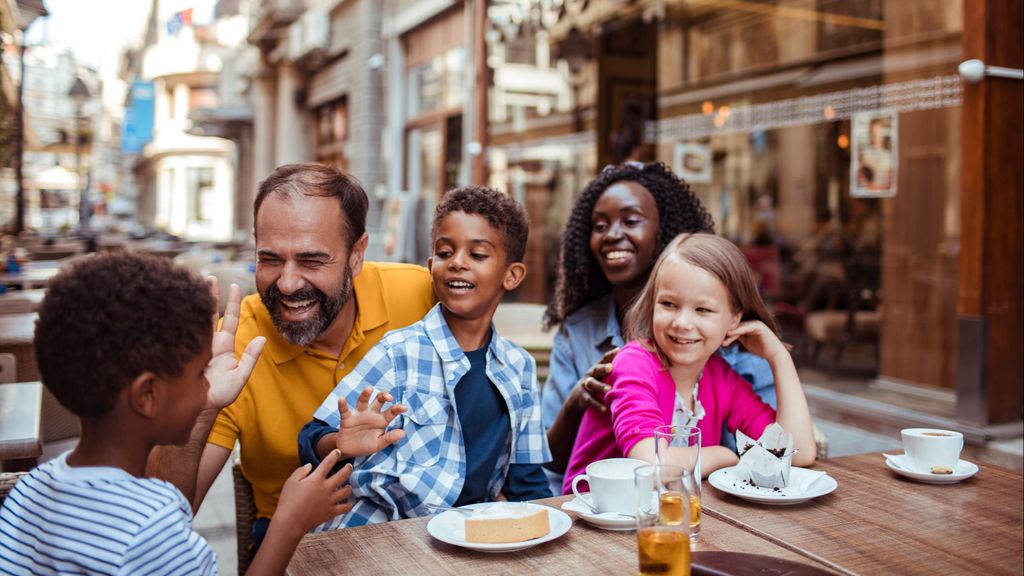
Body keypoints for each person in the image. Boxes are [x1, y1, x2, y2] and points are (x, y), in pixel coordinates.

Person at [0, 252, 350, 575]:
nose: (208, 388)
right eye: (201, 373)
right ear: (148, 396)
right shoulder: (151, 529)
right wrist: (288, 524)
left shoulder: (29, 489)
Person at [147, 163, 435, 552]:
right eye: (270, 259)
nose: (287, 283)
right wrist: (196, 404)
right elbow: (165, 517)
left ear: (356, 254)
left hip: (415, 530)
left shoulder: (419, 293)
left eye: (312, 260)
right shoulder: (232, 346)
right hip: (294, 543)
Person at [299, 186, 552, 528]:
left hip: (468, 533)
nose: (458, 263)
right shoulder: (399, 352)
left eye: (477, 255)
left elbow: (527, 481)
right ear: (432, 266)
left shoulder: (519, 367)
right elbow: (311, 436)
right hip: (379, 529)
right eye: (446, 252)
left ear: (512, 275)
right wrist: (341, 444)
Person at [541, 161, 776, 494]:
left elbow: (775, 446)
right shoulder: (580, 332)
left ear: (665, 232)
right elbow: (547, 460)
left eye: (631, 220)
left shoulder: (724, 345)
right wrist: (577, 402)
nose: (612, 234)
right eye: (599, 225)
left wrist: (779, 357)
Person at [564, 233, 816, 490]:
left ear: (734, 319)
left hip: (669, 516)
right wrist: (722, 456)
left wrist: (779, 357)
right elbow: (651, 467)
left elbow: (798, 454)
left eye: (703, 310)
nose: (682, 323)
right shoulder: (634, 364)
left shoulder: (721, 378)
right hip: (596, 517)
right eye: (669, 304)